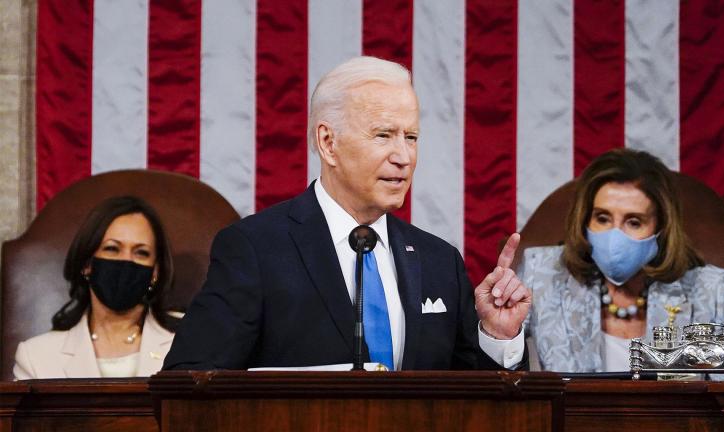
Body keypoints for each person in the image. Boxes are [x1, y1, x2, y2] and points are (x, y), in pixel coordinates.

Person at [163, 56, 531, 371]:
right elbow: (189, 382)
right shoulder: (256, 250)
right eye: (384, 135)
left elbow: (478, 400)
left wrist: (498, 337)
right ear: (328, 142)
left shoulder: (440, 263)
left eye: (411, 137)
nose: (403, 157)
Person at [518, 149, 724, 372]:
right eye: (602, 218)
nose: (615, 237)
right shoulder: (543, 271)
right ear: (585, 219)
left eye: (634, 222)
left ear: (662, 228)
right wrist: (499, 335)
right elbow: (502, 371)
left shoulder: (712, 290)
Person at [13, 196, 178, 379]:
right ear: (87, 264)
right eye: (112, 249)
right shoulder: (36, 357)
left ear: (155, 271)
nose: (126, 261)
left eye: (141, 253)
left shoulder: (188, 342)